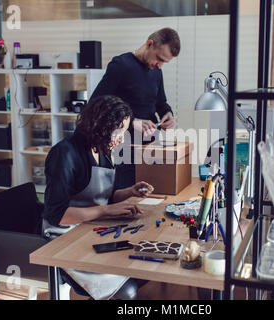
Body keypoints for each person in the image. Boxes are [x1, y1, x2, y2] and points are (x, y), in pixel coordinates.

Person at [42, 95, 154, 300]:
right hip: (62, 237)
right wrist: (105, 210)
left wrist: (130, 192)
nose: (121, 138)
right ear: (100, 126)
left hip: (91, 229)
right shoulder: (65, 154)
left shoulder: (101, 149)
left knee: (144, 267)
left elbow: (104, 197)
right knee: (127, 290)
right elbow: (56, 214)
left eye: (124, 131)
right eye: (118, 132)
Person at [90, 27, 181, 189]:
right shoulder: (120, 65)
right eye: (159, 59)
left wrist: (167, 113)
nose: (160, 66)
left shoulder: (156, 71)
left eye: (164, 63)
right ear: (149, 44)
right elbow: (96, 103)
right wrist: (132, 121)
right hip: (123, 147)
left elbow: (160, 102)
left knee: (150, 196)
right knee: (123, 197)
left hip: (149, 147)